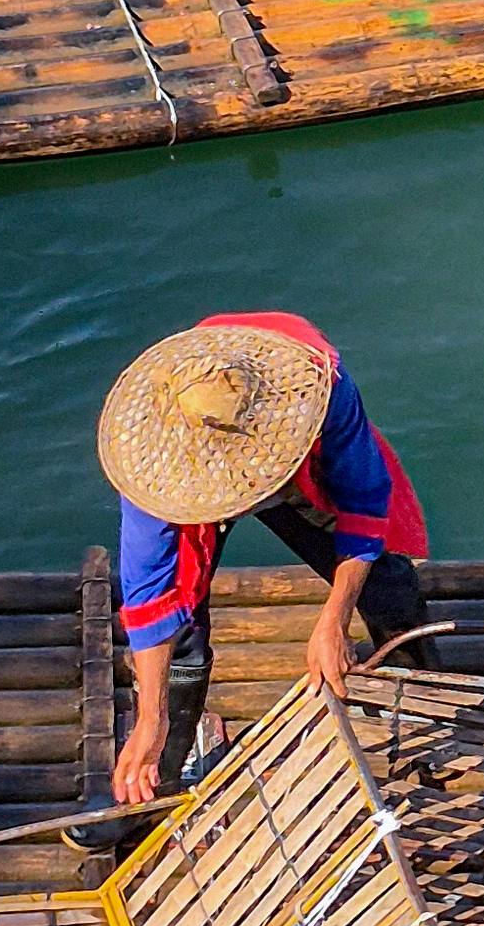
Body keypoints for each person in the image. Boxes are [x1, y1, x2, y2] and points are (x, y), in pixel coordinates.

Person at [97, 312, 429, 807]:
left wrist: (334, 620)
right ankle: (161, 770)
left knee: (388, 586)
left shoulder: (323, 391)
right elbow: (150, 595)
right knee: (179, 635)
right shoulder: (150, 458)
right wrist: (150, 716)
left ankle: (422, 709)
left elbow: (364, 500)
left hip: (294, 466)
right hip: (192, 481)